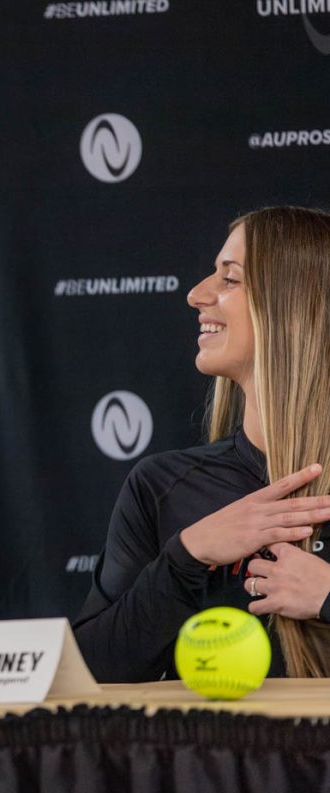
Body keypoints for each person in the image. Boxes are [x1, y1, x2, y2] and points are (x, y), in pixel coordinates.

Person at [74, 206, 330, 681]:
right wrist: (186, 556)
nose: (196, 295)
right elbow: (89, 674)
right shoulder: (161, 486)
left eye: (229, 279)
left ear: (293, 303)